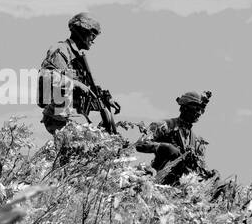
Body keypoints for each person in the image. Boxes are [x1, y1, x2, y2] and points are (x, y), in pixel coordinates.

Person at [37, 12, 119, 140]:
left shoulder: (78, 58)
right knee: (95, 140)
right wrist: (75, 84)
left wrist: (106, 99)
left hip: (73, 116)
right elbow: (46, 76)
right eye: (92, 35)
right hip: (58, 116)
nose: (93, 40)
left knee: (103, 138)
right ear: (82, 32)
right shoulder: (61, 50)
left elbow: (90, 90)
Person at [137, 91, 214, 184]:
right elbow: (140, 144)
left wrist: (210, 175)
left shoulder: (197, 142)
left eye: (202, 109)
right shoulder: (165, 125)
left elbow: (199, 169)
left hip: (181, 191)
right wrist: (163, 147)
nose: (199, 113)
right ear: (185, 107)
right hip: (157, 182)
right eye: (196, 108)